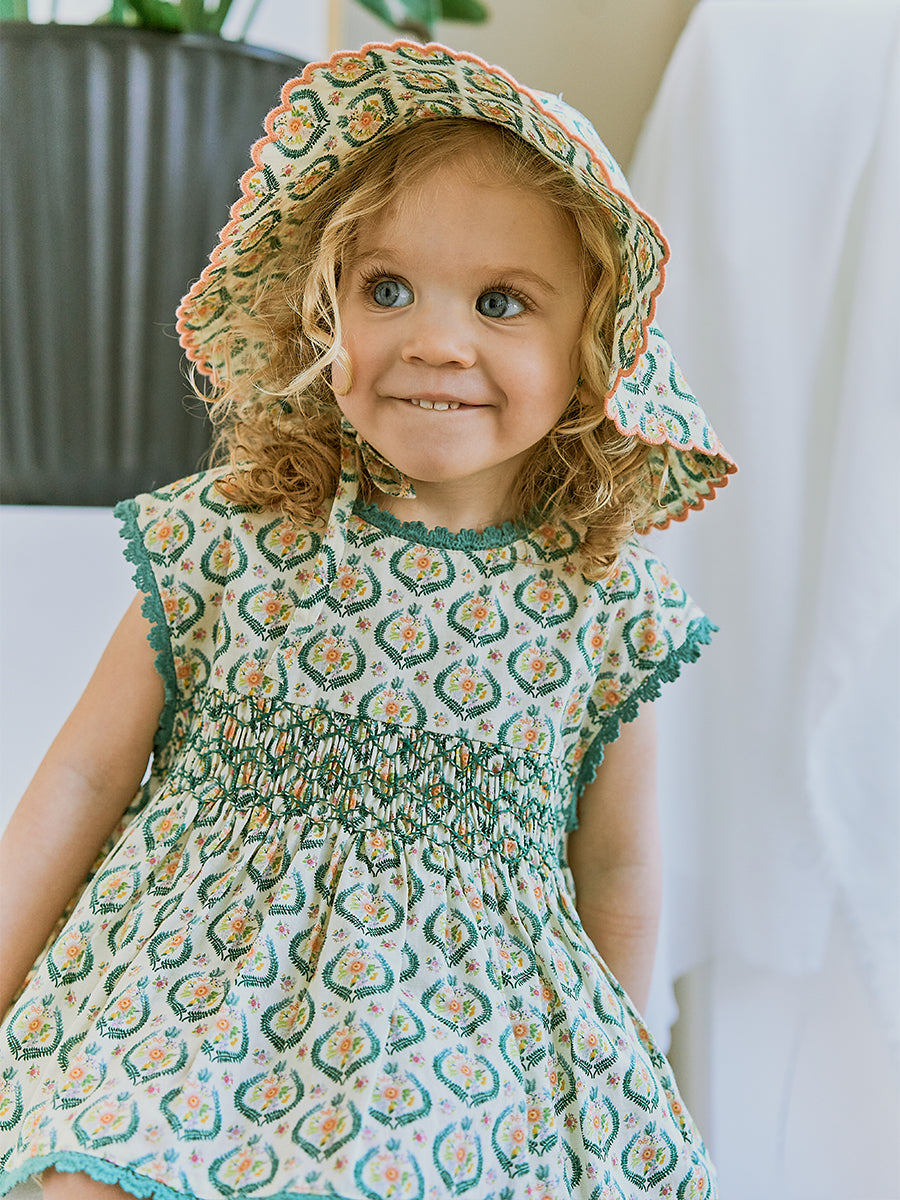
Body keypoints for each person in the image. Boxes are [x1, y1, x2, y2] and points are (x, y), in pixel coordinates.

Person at [0, 41, 735, 1200]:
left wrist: (607, 1090)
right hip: (189, 1000)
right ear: (323, 308)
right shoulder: (235, 534)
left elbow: (620, 868)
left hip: (455, 1050)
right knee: (83, 1179)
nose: (435, 340)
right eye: (388, 290)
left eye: (501, 302)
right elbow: (84, 778)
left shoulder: (600, 604)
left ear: (595, 350)